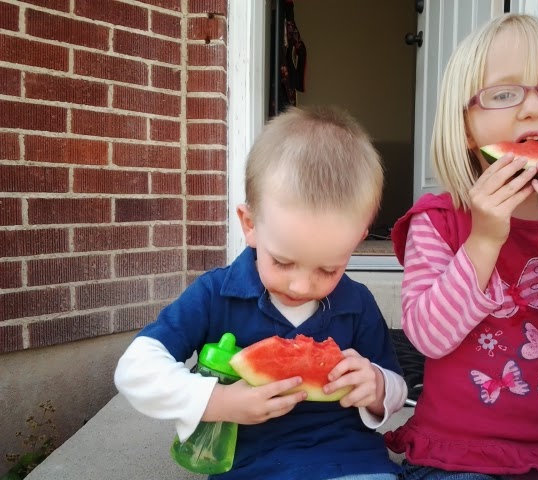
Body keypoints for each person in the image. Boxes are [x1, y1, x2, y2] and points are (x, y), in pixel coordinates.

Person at [384, 13, 538, 480]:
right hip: (454, 452)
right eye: (503, 94)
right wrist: (483, 240)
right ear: (465, 128)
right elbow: (428, 337)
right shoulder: (438, 221)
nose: (534, 108)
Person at [114, 105, 408, 480]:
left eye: (328, 269)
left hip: (351, 461)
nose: (301, 286)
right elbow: (135, 369)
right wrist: (217, 402)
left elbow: (397, 389)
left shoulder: (357, 303)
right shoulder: (215, 294)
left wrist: (378, 387)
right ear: (250, 224)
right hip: (252, 467)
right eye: (283, 262)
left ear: (357, 241)